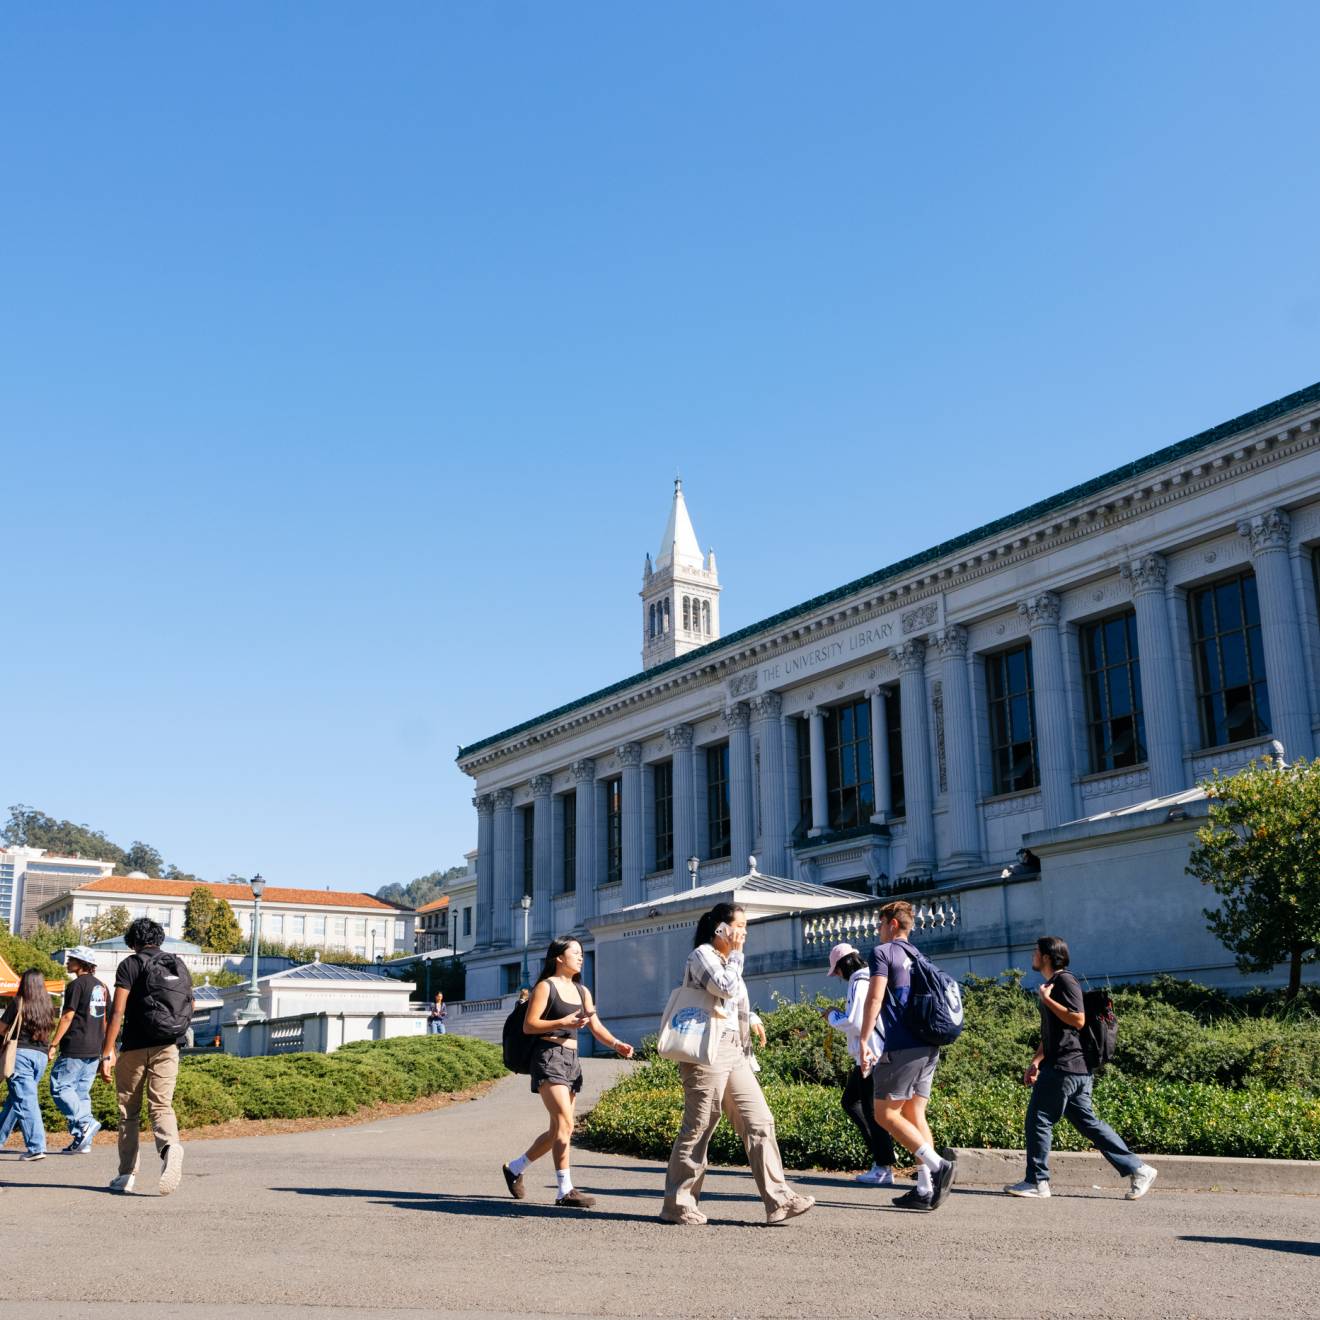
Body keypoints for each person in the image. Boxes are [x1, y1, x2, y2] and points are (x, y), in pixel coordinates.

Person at [661, 902, 815, 1227]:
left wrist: (753, 1017)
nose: (743, 932)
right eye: (739, 925)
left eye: (746, 926)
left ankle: (779, 1200)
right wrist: (736, 955)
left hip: (735, 1050)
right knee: (700, 1124)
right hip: (707, 1050)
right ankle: (678, 1204)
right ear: (720, 927)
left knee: (759, 1121)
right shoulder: (703, 955)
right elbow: (724, 987)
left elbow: (732, 1001)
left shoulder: (726, 960)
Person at [1005, 936, 1158, 1201]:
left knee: (1039, 1120)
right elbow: (1052, 1032)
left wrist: (1047, 1000)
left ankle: (1037, 1181)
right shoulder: (1053, 983)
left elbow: (1077, 1019)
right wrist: (1036, 1061)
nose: (1032, 955)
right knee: (1088, 1123)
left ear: (1048, 956)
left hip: (1066, 1066)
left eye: (1035, 952)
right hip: (1071, 1067)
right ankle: (1139, 1169)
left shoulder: (1065, 980)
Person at [500, 937, 633, 1209]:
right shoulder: (545, 987)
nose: (581, 957)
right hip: (548, 1057)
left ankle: (515, 1168)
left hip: (572, 1059)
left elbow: (595, 1026)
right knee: (566, 1125)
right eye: (575, 952)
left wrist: (616, 1044)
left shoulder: (583, 991)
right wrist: (563, 1021)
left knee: (557, 1130)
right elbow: (530, 1025)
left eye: (582, 953)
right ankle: (564, 1190)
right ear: (559, 957)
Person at [857, 900, 956, 1211]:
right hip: (929, 1044)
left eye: (880, 924)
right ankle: (925, 1189)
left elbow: (875, 996)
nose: (878, 930)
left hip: (902, 1045)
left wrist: (863, 1038)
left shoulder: (882, 952)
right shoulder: (919, 955)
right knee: (915, 1114)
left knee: (884, 1114)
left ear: (893, 925)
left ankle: (938, 1165)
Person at [99, 918, 194, 1195]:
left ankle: (127, 1174)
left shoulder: (130, 964)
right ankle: (170, 1148)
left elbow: (117, 1011)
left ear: (133, 941)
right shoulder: (176, 963)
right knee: (162, 1106)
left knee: (129, 1112)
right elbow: (190, 1003)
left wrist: (107, 1051)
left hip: (135, 1047)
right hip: (169, 1045)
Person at [821, 942, 895, 1188]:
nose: (838, 976)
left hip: (870, 1054)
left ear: (843, 966)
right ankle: (882, 1159)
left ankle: (883, 1165)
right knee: (855, 1103)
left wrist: (832, 1015)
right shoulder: (870, 977)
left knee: (869, 1110)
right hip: (875, 1052)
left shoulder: (858, 981)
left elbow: (854, 1021)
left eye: (837, 971)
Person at [47, 946, 109, 1153]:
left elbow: (67, 1016)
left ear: (81, 963)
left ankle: (84, 1122)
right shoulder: (102, 987)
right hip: (95, 1047)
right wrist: (107, 1049)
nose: (67, 962)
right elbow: (105, 1019)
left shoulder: (76, 985)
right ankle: (83, 1141)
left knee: (60, 1087)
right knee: (81, 1094)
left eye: (71, 959)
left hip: (75, 1045)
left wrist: (53, 1044)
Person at [0, 968, 56, 1160]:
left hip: (19, 1055)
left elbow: (2, 1029)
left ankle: (36, 1147)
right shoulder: (47, 1005)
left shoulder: (18, 1002)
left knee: (25, 1101)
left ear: (24, 983)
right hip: (40, 1056)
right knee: (16, 1100)